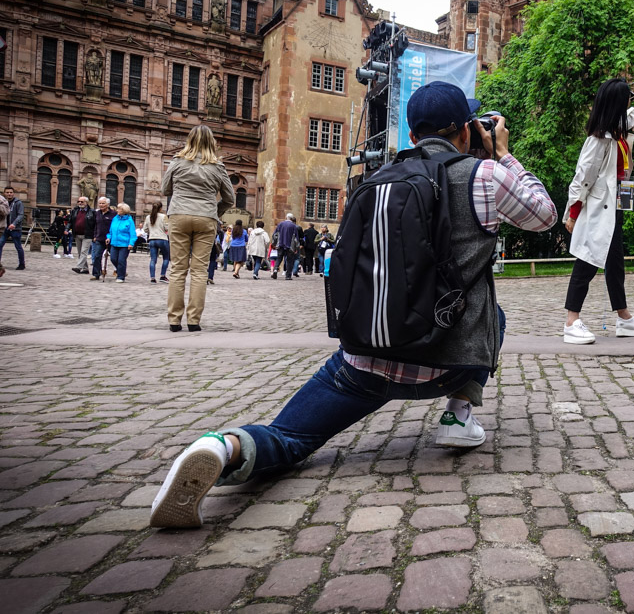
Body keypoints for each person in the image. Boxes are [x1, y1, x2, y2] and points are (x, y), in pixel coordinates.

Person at [150, 80, 556, 529]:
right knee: (493, 313)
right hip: (451, 362)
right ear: (465, 130)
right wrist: (502, 153)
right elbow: (544, 215)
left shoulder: (377, 180)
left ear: (413, 135)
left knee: (288, 438)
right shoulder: (484, 175)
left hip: (366, 360)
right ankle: (458, 416)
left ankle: (220, 447)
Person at [562, 78, 634, 344]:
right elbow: (582, 179)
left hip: (615, 202)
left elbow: (633, 116)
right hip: (597, 207)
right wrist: (573, 214)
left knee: (615, 262)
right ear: (618, 102)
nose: (631, 99)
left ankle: (624, 317)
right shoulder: (598, 140)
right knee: (587, 258)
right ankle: (571, 320)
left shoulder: (617, 129)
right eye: (628, 96)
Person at [162, 124, 234, 333]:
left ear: (189, 140)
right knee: (200, 270)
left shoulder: (177, 161)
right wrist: (214, 211)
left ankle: (174, 320)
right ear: (212, 142)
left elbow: (165, 189)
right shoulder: (217, 167)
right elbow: (230, 198)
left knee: (177, 269)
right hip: (206, 217)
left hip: (179, 215)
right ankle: (193, 320)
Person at [106, 203, 136, 283]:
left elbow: (132, 233)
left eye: (119, 209)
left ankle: (121, 276)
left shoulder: (129, 221)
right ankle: (121, 271)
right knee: (113, 259)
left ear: (124, 211)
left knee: (121, 260)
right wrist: (109, 237)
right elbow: (111, 230)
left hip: (124, 244)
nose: (117, 210)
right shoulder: (115, 219)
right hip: (114, 243)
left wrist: (131, 243)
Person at [89, 197, 116, 280]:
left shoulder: (113, 214)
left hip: (111, 239)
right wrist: (94, 236)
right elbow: (95, 225)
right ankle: (96, 274)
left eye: (103, 203)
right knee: (97, 256)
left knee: (114, 257)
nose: (101, 205)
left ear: (107, 204)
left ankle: (120, 271)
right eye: (100, 203)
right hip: (99, 238)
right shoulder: (97, 213)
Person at [0, 187, 26, 270]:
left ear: (13, 193)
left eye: (11, 192)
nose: (9, 194)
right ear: (4, 193)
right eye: (7, 192)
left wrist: (14, 224)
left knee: (18, 246)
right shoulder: (3, 202)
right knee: (0, 244)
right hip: (4, 228)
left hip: (15, 229)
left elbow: (20, 215)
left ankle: (22, 264)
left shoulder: (18, 203)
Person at [144, 202, 170, 284]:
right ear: (161, 208)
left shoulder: (148, 217)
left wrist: (151, 231)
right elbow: (167, 228)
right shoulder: (163, 216)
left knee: (153, 259)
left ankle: (152, 278)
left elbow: (145, 229)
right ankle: (162, 275)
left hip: (152, 239)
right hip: (162, 238)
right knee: (166, 258)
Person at [70, 196, 96, 274]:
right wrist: (67, 229)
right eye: (79, 201)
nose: (80, 203)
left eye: (82, 202)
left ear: (86, 203)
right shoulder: (75, 211)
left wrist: (94, 234)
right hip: (77, 234)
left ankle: (79, 267)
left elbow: (95, 224)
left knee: (84, 252)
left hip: (87, 235)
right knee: (80, 252)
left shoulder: (92, 212)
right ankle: (85, 269)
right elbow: (71, 221)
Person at [271, 213, 300, 280]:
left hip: (280, 244)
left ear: (286, 217)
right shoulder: (293, 226)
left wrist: (274, 244)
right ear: (292, 218)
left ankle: (275, 269)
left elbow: (275, 235)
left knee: (279, 258)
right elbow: (296, 238)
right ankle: (288, 276)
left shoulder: (280, 224)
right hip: (290, 246)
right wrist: (296, 247)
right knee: (290, 260)